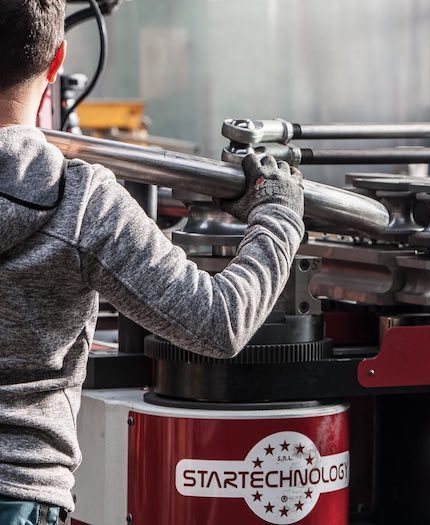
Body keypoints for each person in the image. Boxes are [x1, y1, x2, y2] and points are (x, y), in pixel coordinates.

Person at [0, 1, 305, 523]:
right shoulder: (82, 202)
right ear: (58, 61)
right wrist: (279, 214)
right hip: (18, 492)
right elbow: (219, 321)